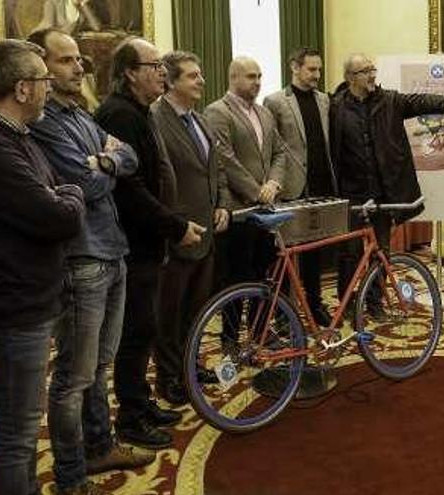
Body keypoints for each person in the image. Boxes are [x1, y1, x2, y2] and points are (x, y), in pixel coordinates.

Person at [0, 39, 85, 495]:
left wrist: (65, 195)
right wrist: (69, 197)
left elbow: (59, 191)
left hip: (24, 301)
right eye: (44, 80)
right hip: (10, 308)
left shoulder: (13, 136)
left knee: (22, 431)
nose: (49, 88)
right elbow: (59, 214)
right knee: (17, 436)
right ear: (23, 88)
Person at [26, 29, 155, 494]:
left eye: (79, 59)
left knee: (99, 368)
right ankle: (70, 476)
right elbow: (88, 183)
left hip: (111, 247)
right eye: (66, 60)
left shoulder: (78, 112)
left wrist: (106, 162)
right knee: (73, 378)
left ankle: (100, 446)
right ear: (39, 68)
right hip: (81, 257)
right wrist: (105, 165)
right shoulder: (42, 123)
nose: (79, 67)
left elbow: (131, 158)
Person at [95, 37, 205, 450]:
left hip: (145, 241)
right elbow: (130, 189)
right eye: (154, 65)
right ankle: (130, 419)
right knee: (135, 333)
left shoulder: (137, 111)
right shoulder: (120, 115)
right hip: (132, 242)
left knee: (145, 327)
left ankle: (140, 403)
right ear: (129, 73)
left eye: (163, 65)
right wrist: (174, 227)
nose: (162, 71)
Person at [330, 53, 444, 314]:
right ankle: (346, 302)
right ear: (351, 78)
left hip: (384, 193)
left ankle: (375, 302)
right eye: (366, 71)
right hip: (351, 193)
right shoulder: (335, 106)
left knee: (382, 251)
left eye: (373, 69)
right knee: (349, 253)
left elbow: (421, 101)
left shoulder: (390, 100)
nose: (372, 75)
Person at [151, 50, 231, 405]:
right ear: (170, 81)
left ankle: (191, 365)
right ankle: (169, 378)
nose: (201, 81)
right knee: (168, 314)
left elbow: (216, 170)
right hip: (176, 233)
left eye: (199, 75)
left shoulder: (199, 119)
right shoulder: (155, 119)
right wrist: (173, 224)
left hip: (207, 231)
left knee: (196, 311)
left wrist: (222, 205)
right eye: (192, 76)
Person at [264, 47, 337, 326]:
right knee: (283, 255)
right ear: (294, 67)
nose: (317, 75)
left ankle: (315, 304)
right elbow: (271, 148)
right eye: (311, 70)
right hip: (290, 188)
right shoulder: (275, 101)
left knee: (314, 252)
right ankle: (283, 313)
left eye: (319, 69)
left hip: (320, 186)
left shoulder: (324, 100)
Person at [205, 57, 290, 290]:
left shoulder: (264, 113)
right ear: (233, 77)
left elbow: (281, 151)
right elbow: (225, 159)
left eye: (260, 76)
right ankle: (232, 329)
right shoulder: (217, 111)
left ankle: (259, 327)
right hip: (238, 210)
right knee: (236, 279)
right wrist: (257, 192)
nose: (258, 82)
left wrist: (273, 183)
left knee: (263, 276)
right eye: (251, 76)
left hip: (266, 209)